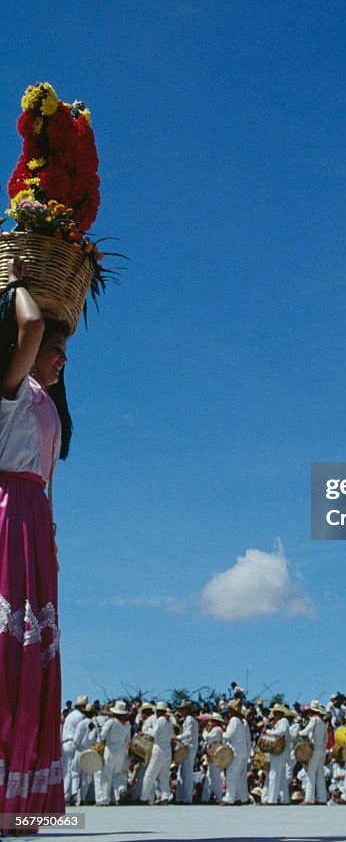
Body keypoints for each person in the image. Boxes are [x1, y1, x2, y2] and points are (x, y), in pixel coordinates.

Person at [0, 260, 72, 824]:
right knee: (8, 648)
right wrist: (19, 282)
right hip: (5, 516)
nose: (62, 360)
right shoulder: (10, 388)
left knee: (34, 655)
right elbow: (26, 329)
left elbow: (48, 480)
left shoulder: (46, 405)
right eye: (57, 349)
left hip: (33, 524)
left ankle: (22, 805)